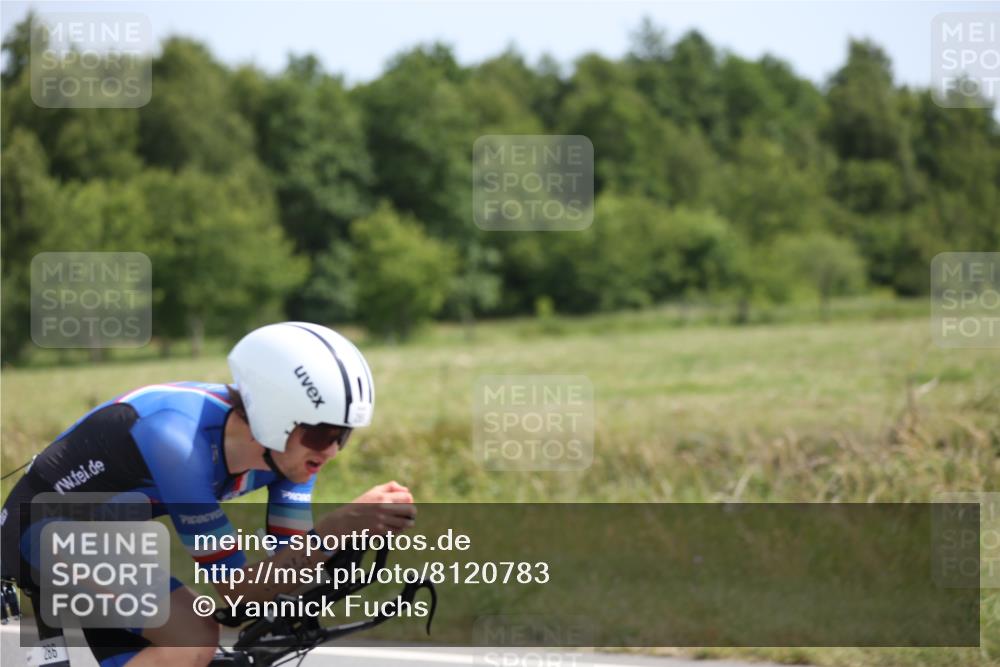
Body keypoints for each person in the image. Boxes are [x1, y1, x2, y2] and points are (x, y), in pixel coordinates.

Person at [1, 322, 416, 667]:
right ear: (274, 415)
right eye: (322, 432)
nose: (330, 451)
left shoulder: (291, 457)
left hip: (105, 538)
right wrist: (336, 531)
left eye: (342, 435)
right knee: (192, 636)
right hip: (39, 528)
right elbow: (238, 590)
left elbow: (284, 573)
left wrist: (349, 546)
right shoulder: (178, 442)